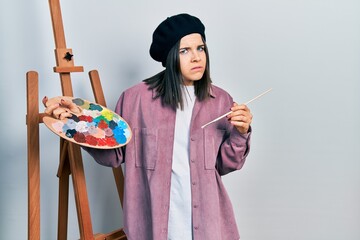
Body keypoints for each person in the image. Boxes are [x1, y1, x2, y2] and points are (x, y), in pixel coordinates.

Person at [44, 13, 252, 240]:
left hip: (209, 225)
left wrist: (241, 134)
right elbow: (113, 156)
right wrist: (76, 124)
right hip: (152, 226)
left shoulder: (221, 101)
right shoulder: (135, 100)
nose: (196, 58)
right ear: (170, 56)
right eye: (185, 51)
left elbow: (225, 164)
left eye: (200, 48)